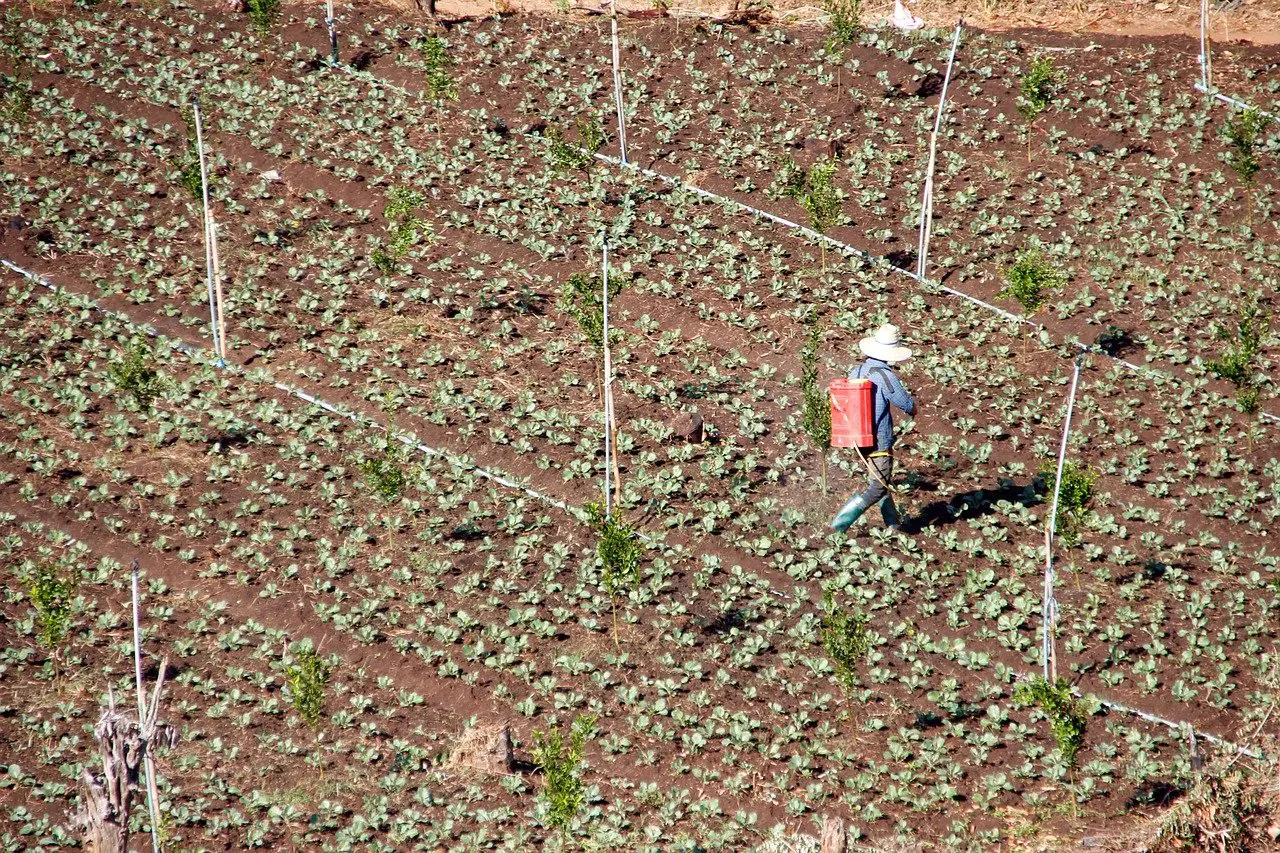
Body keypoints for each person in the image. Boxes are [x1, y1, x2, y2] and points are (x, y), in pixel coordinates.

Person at [831, 323, 916, 533]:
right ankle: (838, 525)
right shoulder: (885, 375)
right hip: (879, 437)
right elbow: (904, 403)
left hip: (859, 436)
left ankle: (893, 526)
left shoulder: (857, 370)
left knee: (880, 480)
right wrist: (915, 409)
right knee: (878, 487)